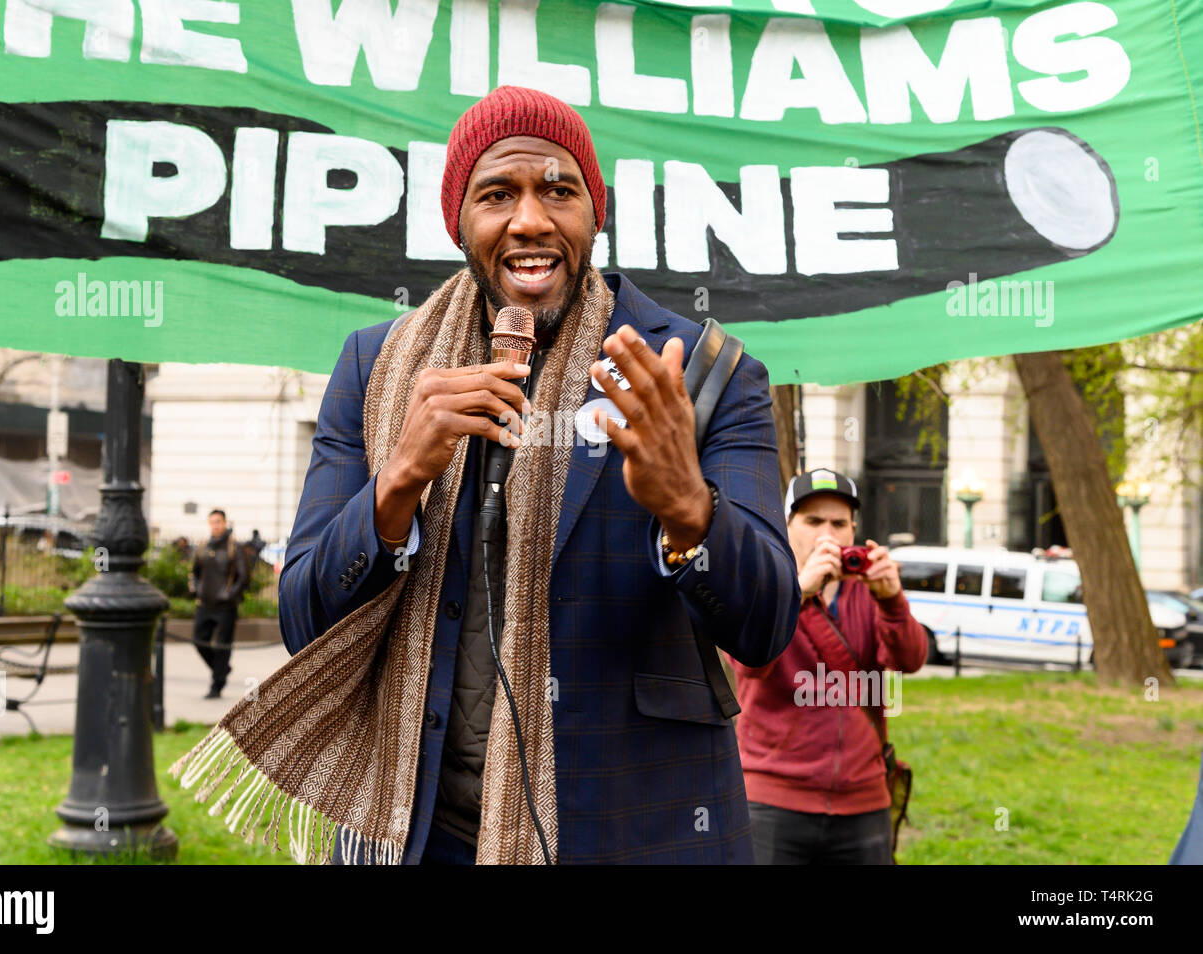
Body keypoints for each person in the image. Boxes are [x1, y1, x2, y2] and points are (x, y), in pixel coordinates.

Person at [279, 85, 800, 865]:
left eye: (559, 190)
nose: (530, 219)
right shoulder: (376, 368)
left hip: (637, 833)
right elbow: (304, 622)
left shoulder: (702, 371)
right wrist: (395, 488)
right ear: (460, 222)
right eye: (498, 195)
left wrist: (691, 511)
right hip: (423, 837)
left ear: (598, 214)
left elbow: (765, 628)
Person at [729, 469, 926, 864]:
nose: (827, 535)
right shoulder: (763, 584)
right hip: (772, 798)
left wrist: (892, 600)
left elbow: (910, 660)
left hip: (863, 798)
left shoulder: (869, 591)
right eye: (813, 521)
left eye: (839, 523)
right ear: (788, 526)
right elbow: (751, 668)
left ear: (854, 531)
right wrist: (798, 592)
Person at [190, 509, 248, 699]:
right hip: (204, 604)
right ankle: (221, 669)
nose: (215, 525)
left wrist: (229, 595)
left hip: (225, 607)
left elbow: (244, 576)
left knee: (223, 646)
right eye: (212, 522)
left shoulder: (234, 547)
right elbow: (194, 573)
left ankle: (217, 685)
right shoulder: (203, 546)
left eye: (218, 522)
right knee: (199, 641)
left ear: (225, 523)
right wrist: (196, 589)